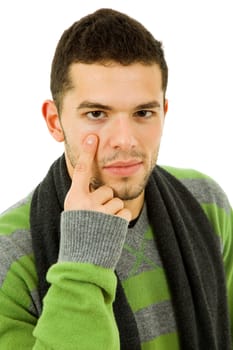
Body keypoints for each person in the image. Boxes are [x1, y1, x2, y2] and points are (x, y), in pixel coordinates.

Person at [0, 8, 232, 350]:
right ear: (54, 121)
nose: (125, 139)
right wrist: (82, 261)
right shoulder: (11, 252)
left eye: (143, 113)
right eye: (96, 113)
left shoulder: (205, 202)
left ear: (163, 115)